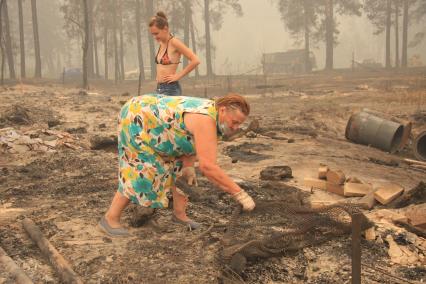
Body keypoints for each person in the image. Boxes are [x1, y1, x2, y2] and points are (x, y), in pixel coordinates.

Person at [98, 93, 255, 237]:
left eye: (239, 124)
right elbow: (208, 167)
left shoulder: (214, 117)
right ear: (222, 110)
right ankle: (110, 218)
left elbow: (192, 140)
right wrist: (239, 193)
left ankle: (180, 215)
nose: (235, 128)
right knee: (143, 170)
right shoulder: (205, 119)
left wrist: (188, 166)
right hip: (138, 118)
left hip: (161, 124)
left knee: (179, 168)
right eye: (234, 122)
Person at [149, 12, 200, 96]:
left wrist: (178, 76)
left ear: (165, 29)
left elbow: (196, 60)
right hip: (159, 88)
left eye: (156, 33)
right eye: (153, 34)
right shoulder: (162, 43)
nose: (155, 37)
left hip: (170, 89)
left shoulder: (174, 42)